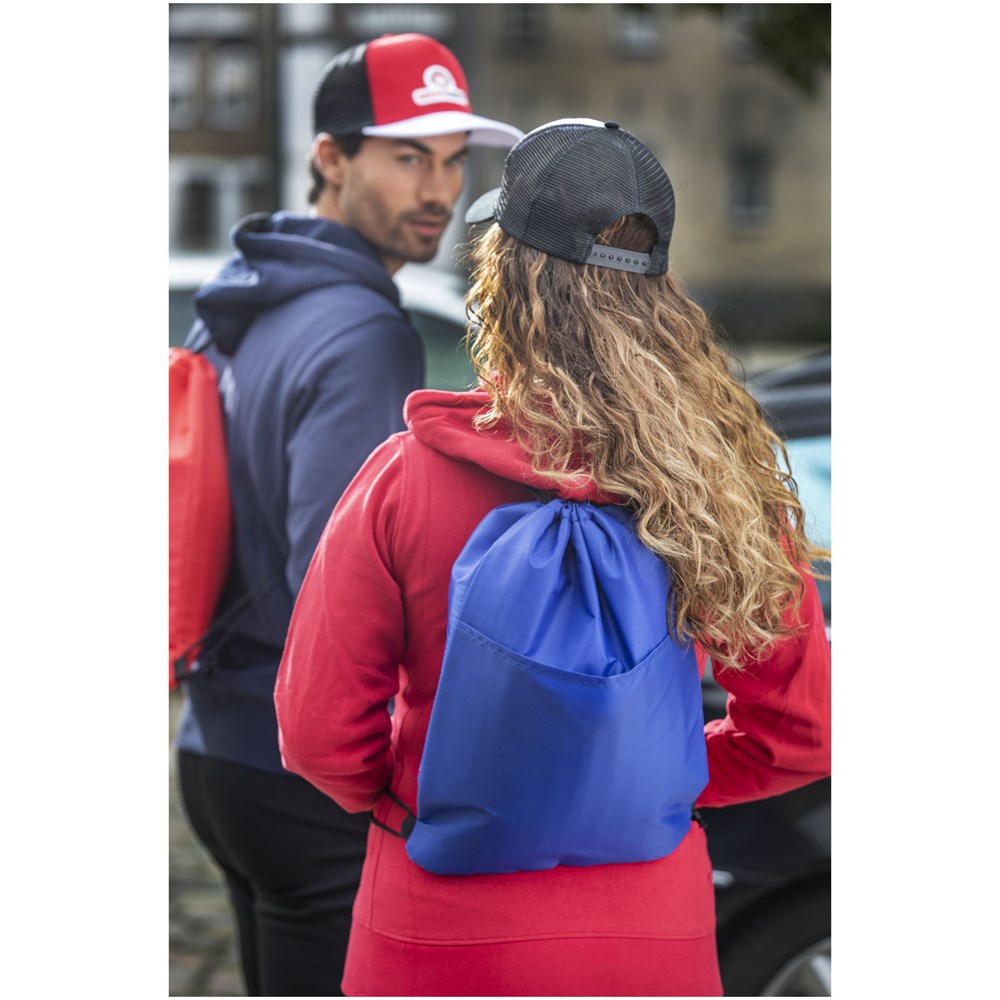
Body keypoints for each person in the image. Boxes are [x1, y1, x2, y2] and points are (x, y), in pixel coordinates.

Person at [274, 119, 832, 996]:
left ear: (501, 280)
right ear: (659, 294)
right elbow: (802, 734)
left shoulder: (402, 479)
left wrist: (442, 792)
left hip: (438, 926)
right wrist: (638, 782)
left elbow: (316, 734)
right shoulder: (723, 487)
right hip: (652, 938)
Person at [173, 33, 522, 998]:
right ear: (330, 157)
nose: (439, 191)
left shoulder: (243, 300)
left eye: (452, 161)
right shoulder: (364, 329)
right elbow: (334, 587)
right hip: (301, 773)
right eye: (408, 158)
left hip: (219, 749)